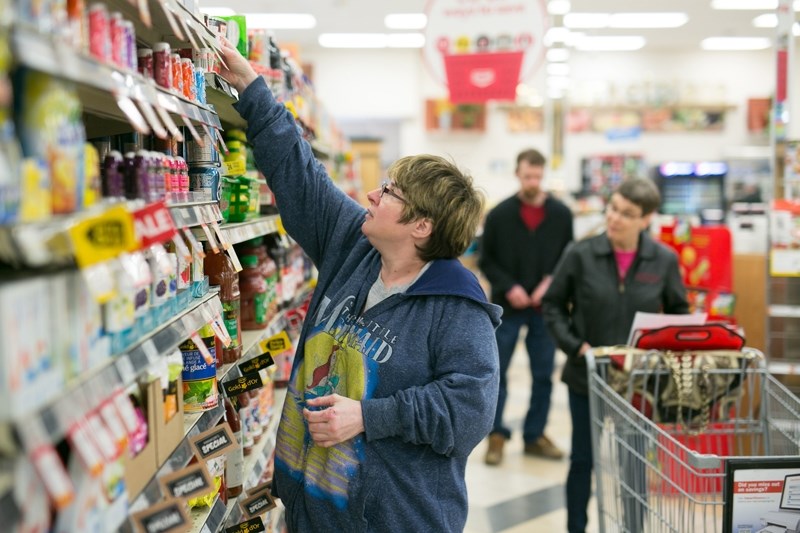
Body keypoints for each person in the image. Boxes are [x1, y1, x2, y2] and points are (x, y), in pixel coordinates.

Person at [218, 40, 501, 532]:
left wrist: (371, 415)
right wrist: (250, 88)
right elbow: (301, 176)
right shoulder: (355, 244)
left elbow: (469, 410)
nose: (372, 193)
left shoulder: (457, 307)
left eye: (390, 192)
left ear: (422, 227)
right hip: (312, 507)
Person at [541, 177, 689, 533]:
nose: (615, 218)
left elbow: (679, 315)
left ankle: (633, 528)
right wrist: (577, 347)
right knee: (582, 461)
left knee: (634, 464)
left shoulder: (663, 260)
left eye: (627, 213)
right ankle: (576, 527)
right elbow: (553, 305)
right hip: (586, 377)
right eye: (613, 208)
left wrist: (661, 350)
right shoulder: (581, 253)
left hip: (639, 383)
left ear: (647, 218)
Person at [478, 148, 573, 465]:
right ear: (517, 174)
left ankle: (534, 435)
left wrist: (550, 282)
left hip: (544, 310)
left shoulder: (561, 214)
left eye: (537, 176)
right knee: (497, 373)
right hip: (507, 307)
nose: (532, 181)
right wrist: (510, 287)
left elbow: (566, 257)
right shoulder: (500, 214)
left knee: (543, 375)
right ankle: (496, 435)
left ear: (543, 174)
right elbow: (486, 260)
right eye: (527, 175)